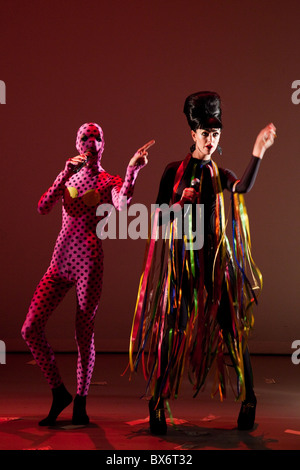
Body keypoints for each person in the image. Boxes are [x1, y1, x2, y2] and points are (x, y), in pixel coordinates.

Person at [129, 92, 276, 435]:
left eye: (216, 134)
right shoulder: (173, 173)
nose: (211, 141)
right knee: (171, 332)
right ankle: (157, 402)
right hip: (183, 266)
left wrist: (259, 150)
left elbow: (240, 189)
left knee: (232, 330)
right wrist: (179, 203)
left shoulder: (219, 173)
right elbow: (157, 223)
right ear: (192, 134)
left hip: (215, 265)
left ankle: (250, 399)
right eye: (205, 134)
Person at [21, 122, 154, 426]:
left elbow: (122, 205)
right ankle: (59, 392)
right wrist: (63, 174)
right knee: (30, 328)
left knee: (84, 332)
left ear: (103, 144)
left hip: (89, 262)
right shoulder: (68, 174)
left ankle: (81, 400)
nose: (91, 142)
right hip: (60, 261)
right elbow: (43, 206)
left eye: (96, 138)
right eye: (85, 137)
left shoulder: (108, 180)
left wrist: (133, 170)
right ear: (77, 142)